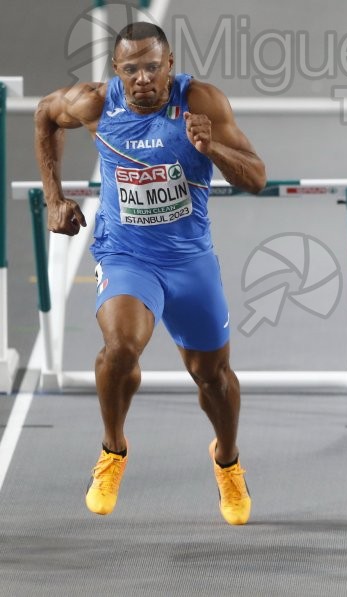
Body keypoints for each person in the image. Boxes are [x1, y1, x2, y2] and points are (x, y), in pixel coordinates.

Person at [33, 22, 267, 525]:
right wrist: (54, 199)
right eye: (131, 68)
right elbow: (44, 116)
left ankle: (227, 460)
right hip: (126, 256)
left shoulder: (202, 102)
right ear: (117, 71)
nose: (143, 78)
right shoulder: (95, 103)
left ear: (170, 65)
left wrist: (213, 151)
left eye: (152, 66)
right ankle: (113, 450)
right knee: (119, 348)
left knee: (213, 378)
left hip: (189, 261)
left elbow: (256, 176)